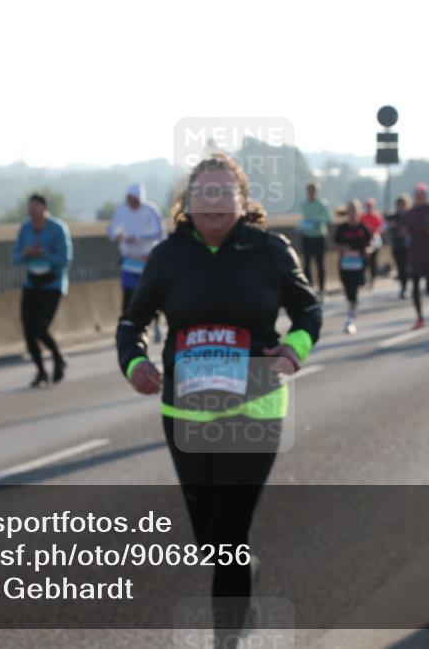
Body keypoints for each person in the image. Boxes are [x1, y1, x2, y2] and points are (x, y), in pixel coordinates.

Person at [116, 153, 321, 642]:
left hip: (255, 406)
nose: (212, 202)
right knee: (213, 543)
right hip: (184, 412)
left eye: (222, 193)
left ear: (242, 201)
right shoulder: (168, 256)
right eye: (201, 193)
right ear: (187, 203)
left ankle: (224, 638)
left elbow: (308, 310)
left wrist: (293, 350)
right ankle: (241, 582)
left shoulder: (271, 251)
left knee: (228, 534)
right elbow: (132, 322)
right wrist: (133, 362)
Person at [12, 193, 73, 386]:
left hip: (52, 286)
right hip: (32, 284)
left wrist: (43, 253)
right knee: (28, 330)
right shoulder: (25, 229)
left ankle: (58, 358)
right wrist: (27, 253)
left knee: (40, 327)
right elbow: (15, 258)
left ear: (44, 209)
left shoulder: (58, 229)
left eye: (35, 209)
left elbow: (64, 260)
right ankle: (40, 370)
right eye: (30, 210)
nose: (32, 213)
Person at [107, 182, 167, 313]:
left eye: (134, 199)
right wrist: (117, 236)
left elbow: (160, 233)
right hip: (128, 260)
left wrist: (137, 238)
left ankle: (154, 319)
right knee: (128, 293)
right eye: (128, 199)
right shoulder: (122, 209)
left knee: (148, 293)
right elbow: (111, 230)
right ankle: (127, 322)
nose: (131, 202)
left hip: (146, 259)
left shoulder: (151, 210)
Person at [400, 183, 429, 329]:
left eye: (422, 195)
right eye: (417, 195)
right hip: (415, 255)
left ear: (426, 196)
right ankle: (420, 317)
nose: (419, 198)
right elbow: (402, 228)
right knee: (414, 287)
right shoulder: (410, 213)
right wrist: (402, 231)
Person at [335, 199, 373, 333]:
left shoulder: (363, 228)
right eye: (350, 209)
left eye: (354, 210)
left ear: (358, 211)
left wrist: (366, 251)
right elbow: (336, 244)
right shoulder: (342, 228)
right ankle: (351, 311)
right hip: (345, 265)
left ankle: (350, 318)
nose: (352, 212)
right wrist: (343, 248)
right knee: (348, 291)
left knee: (354, 291)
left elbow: (370, 244)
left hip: (359, 265)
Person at [297, 181, 331, 297]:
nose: (311, 193)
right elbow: (304, 218)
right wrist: (302, 225)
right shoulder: (304, 204)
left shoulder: (322, 204)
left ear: (316, 192)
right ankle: (309, 289)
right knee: (306, 264)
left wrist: (316, 220)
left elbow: (328, 218)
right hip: (307, 236)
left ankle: (322, 289)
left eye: (313, 191)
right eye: (309, 191)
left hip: (319, 236)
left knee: (320, 264)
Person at [385, 194, 411, 298]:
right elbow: (385, 228)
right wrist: (391, 226)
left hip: (409, 246)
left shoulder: (410, 216)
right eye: (399, 204)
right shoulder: (392, 217)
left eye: (403, 204)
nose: (401, 206)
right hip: (397, 245)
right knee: (400, 268)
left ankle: (407, 285)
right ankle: (403, 287)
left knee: (408, 267)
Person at [359, 197, 385, 288]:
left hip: (375, 239)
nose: (369, 207)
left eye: (370, 206)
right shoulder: (362, 216)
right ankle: (363, 279)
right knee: (364, 261)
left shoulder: (377, 216)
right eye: (368, 206)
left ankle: (372, 279)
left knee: (373, 261)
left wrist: (375, 230)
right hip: (365, 240)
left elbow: (382, 227)